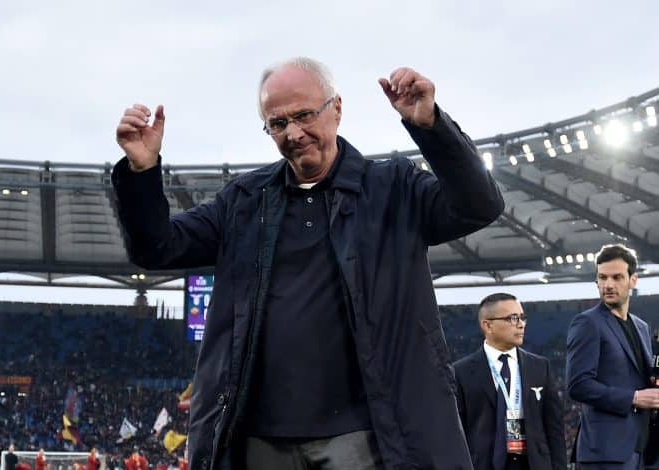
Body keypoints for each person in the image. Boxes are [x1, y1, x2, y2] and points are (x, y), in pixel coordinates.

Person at [112, 57, 504, 469]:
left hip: (365, 435)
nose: (294, 133)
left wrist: (431, 126)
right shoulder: (244, 202)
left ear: (337, 108)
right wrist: (142, 170)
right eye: (278, 123)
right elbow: (157, 248)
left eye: (303, 115)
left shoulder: (393, 188)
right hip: (260, 440)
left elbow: (479, 206)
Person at [567, 244, 659, 469]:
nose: (608, 284)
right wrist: (633, 398)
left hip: (642, 449)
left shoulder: (641, 327)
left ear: (633, 280)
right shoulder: (587, 323)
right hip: (605, 452)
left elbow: (642, 379)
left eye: (617, 277)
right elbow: (578, 385)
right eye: (602, 277)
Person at [453, 293, 565, 469]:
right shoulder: (461, 372)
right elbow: (455, 432)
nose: (521, 324)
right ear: (488, 325)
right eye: (512, 318)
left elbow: (554, 430)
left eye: (522, 317)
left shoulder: (540, 367)